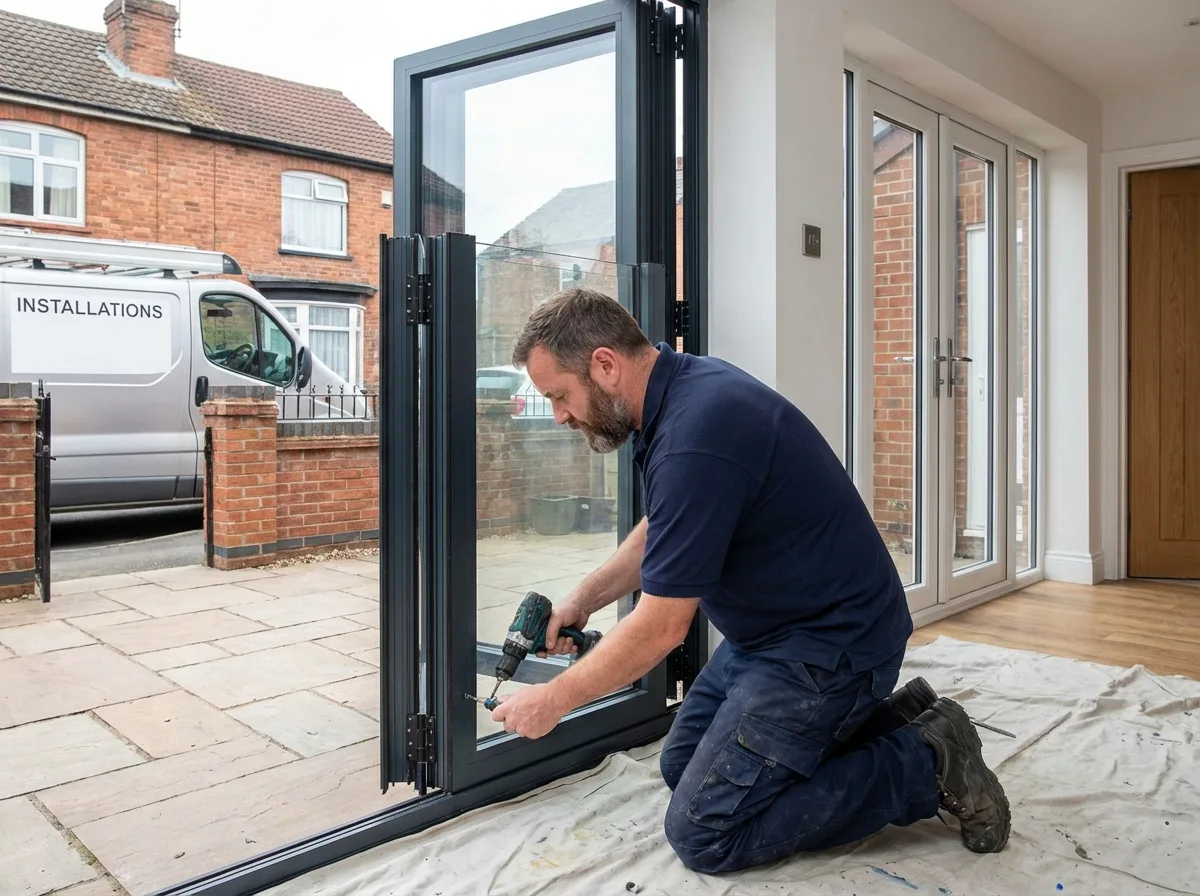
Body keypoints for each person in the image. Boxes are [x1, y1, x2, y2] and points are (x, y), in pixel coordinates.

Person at [491, 288, 1010, 873]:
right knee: (681, 766)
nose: (559, 414)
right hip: (771, 638)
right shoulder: (684, 390)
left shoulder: (695, 435)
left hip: (832, 645)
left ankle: (926, 759)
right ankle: (890, 720)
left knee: (706, 831)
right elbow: (666, 523)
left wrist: (554, 700)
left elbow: (662, 628)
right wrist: (582, 600)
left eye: (560, 396)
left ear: (604, 365)